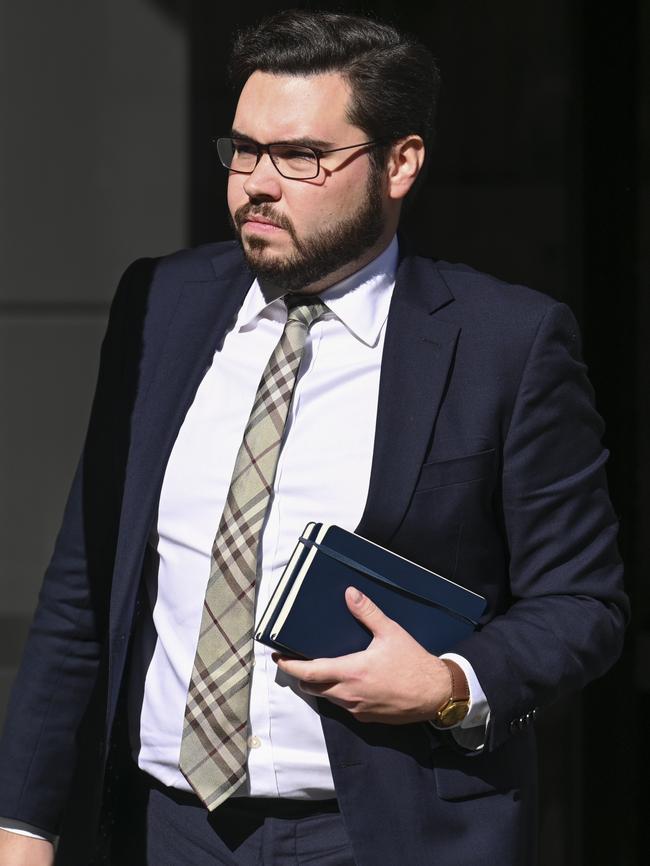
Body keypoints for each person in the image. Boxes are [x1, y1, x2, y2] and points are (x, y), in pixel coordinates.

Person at [0, 9, 628, 866]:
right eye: (244, 149)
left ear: (399, 163)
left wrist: (450, 685)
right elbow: (85, 587)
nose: (257, 182)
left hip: (380, 833)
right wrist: (23, 822)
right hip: (163, 830)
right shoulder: (161, 303)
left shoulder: (503, 343)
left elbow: (583, 604)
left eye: (301, 157)